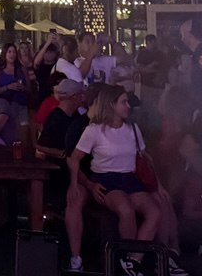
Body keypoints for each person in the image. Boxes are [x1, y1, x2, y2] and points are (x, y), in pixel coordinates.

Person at [69, 84, 163, 244]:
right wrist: (74, 183)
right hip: (106, 179)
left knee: (155, 212)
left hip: (129, 178)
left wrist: (159, 186)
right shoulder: (95, 130)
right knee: (125, 209)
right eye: (124, 102)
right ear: (112, 104)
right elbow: (74, 158)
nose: (128, 106)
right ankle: (126, 254)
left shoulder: (133, 128)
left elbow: (146, 157)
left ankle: (135, 259)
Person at [35, 79, 88, 272]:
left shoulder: (76, 117)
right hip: (60, 172)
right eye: (80, 94)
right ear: (73, 97)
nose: (83, 97)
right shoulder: (57, 117)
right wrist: (62, 154)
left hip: (72, 170)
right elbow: (40, 145)